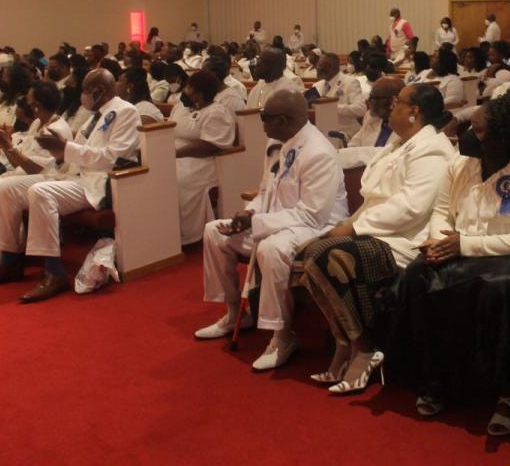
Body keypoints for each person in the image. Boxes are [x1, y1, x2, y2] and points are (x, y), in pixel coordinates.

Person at [388, 86, 510, 421]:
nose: (466, 136)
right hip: (458, 248)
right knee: (416, 277)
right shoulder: (461, 165)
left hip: (509, 257)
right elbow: (441, 212)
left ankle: (506, 391)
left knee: (495, 290)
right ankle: (436, 378)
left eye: (477, 131)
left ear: (506, 136)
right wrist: (439, 241)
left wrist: (464, 245)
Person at [295, 84, 455, 394]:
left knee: (330, 256)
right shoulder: (399, 142)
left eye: (398, 102)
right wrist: (347, 223)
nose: (392, 106)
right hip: (378, 229)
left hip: (406, 238)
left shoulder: (432, 149)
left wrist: (353, 229)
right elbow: (374, 199)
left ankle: (364, 347)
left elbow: (411, 207)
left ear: (414, 112)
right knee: (306, 251)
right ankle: (345, 342)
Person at [195, 91, 348, 371]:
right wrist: (250, 213)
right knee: (215, 231)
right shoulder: (277, 143)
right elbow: (265, 190)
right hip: (276, 221)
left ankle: (282, 336)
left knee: (271, 248)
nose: (260, 123)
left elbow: (312, 214)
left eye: (264, 118)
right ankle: (234, 314)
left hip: (317, 227)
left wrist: (259, 224)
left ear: (283, 120)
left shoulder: (319, 153)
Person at [0, 69, 140, 303]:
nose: (82, 96)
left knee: (40, 192)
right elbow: (72, 153)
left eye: (85, 91)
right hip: (72, 175)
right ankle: (8, 262)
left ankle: (54, 273)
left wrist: (65, 148)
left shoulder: (126, 112)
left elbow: (114, 156)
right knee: (9, 188)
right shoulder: (94, 116)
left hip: (97, 182)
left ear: (99, 91)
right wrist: (57, 150)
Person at [0, 82, 73, 271]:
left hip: (46, 177)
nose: (26, 104)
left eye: (29, 101)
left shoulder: (57, 129)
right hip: (23, 173)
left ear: (37, 104)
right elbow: (20, 160)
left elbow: (36, 169)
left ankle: (0, 258)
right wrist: (5, 144)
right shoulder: (37, 123)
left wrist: (7, 145)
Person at [171, 71, 236, 246]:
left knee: (179, 180)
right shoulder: (181, 108)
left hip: (201, 161)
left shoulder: (217, 112)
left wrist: (176, 153)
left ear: (199, 94)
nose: (185, 91)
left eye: (189, 88)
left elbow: (210, 145)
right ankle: (165, 228)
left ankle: (186, 234)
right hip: (175, 155)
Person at [310, 53, 366, 138]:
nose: (317, 68)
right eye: (318, 65)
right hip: (322, 133)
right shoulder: (316, 85)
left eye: (321, 65)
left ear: (332, 67)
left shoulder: (350, 82)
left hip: (344, 133)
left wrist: (331, 107)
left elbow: (360, 109)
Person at [346, 77, 404, 148]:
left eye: (373, 97)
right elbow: (353, 145)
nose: (367, 101)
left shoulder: (406, 127)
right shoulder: (370, 117)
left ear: (392, 101)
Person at [58, 66, 93, 136]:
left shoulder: (86, 109)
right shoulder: (69, 102)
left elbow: (76, 134)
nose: (67, 83)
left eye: (73, 80)